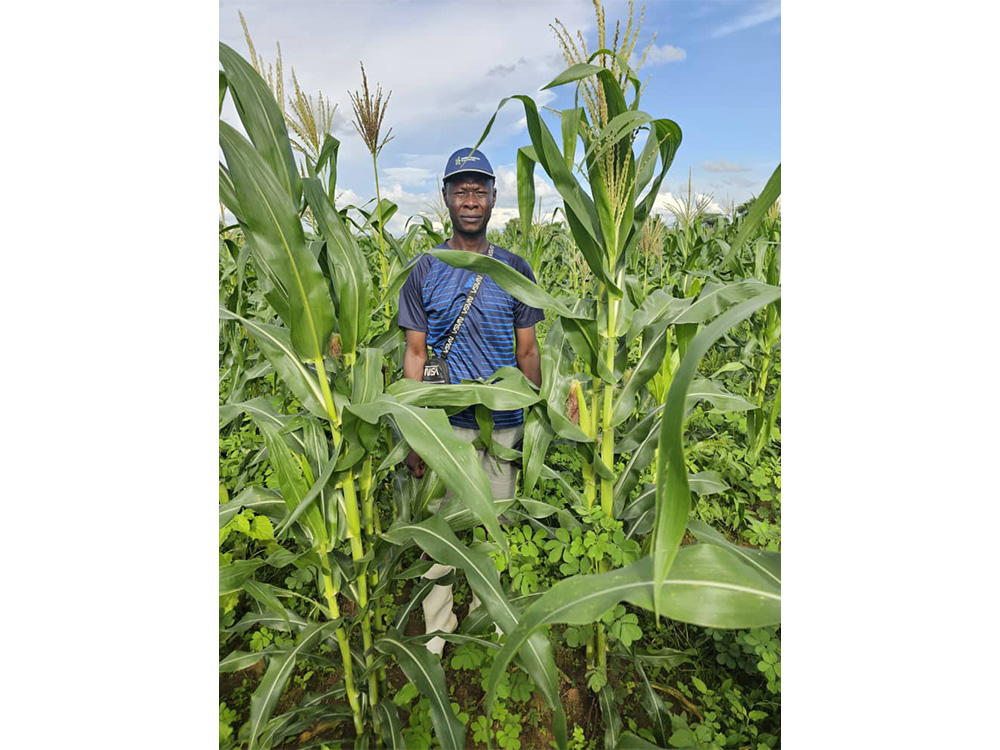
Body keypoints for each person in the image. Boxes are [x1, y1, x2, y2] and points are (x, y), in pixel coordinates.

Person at [397, 147, 544, 655]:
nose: (470, 199)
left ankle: (489, 618)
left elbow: (528, 351)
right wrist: (416, 434)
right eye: (460, 190)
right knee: (439, 532)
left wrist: (535, 425)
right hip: (446, 428)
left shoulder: (514, 269)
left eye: (479, 190)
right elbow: (416, 355)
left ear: (493, 198)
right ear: (445, 198)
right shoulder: (426, 269)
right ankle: (438, 628)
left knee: (495, 526)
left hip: (504, 425)